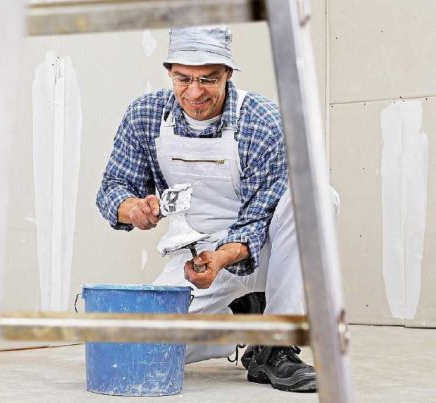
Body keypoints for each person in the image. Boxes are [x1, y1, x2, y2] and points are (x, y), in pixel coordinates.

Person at [96, 25, 338, 393]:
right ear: (169, 72)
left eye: (208, 79)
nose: (194, 92)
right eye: (184, 78)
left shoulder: (261, 121)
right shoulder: (146, 116)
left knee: (317, 196)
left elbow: (260, 219)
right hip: (196, 258)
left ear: (228, 74)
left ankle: (277, 346)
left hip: (268, 250)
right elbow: (112, 189)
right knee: (133, 344)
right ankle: (242, 321)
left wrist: (223, 258)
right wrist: (133, 209)